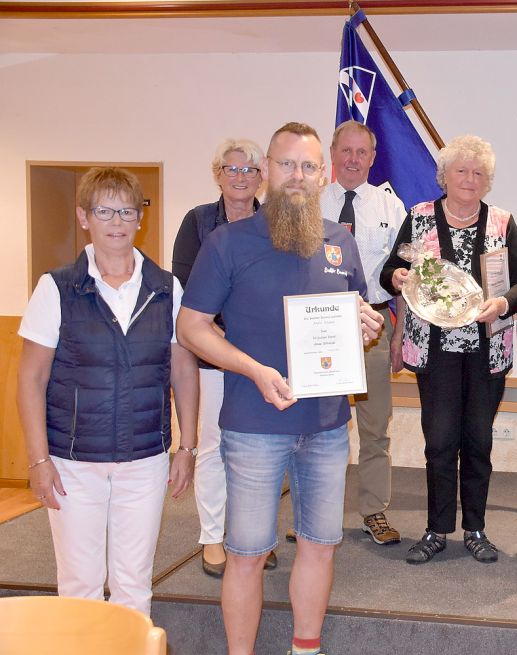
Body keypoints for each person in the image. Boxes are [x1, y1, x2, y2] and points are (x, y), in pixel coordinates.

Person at [177, 122, 384, 655]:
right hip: (253, 427)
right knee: (245, 554)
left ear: (324, 175)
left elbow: (355, 311)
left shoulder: (341, 242)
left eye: (309, 166)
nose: (298, 175)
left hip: (327, 428)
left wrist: (365, 326)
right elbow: (192, 327)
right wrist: (253, 370)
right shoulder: (227, 242)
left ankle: (305, 649)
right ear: (267, 169)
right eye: (287, 164)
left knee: (320, 547)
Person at [17, 167, 199, 616]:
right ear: (84, 217)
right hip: (72, 464)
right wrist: (39, 460)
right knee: (79, 585)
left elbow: (184, 372)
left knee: (133, 584)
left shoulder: (166, 288)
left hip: (145, 462)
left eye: (126, 211)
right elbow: (30, 380)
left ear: (140, 218)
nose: (116, 221)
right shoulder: (55, 288)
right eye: (104, 211)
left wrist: (187, 446)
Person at [381, 135, 517, 565]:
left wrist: (502, 303)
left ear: (488, 181)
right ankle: (436, 529)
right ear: (444, 176)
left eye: (478, 173)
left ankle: (476, 529)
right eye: (461, 171)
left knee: (478, 442)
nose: (469, 179)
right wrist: (397, 278)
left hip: (488, 353)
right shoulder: (420, 217)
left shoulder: (503, 223)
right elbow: (390, 269)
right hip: (435, 352)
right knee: (440, 441)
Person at [172, 137, 276, 578]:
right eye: (231, 170)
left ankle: (252, 537)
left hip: (263, 360)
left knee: (259, 452)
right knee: (214, 447)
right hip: (213, 357)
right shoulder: (197, 222)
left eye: (249, 170)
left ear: (261, 178)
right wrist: (218, 339)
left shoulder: (274, 224)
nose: (240, 177)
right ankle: (212, 538)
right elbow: (184, 291)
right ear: (218, 175)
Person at [322, 120, 406, 546]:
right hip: (319, 325)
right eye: (346, 151)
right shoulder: (310, 203)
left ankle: (374, 511)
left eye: (362, 153)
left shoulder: (391, 207)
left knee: (375, 427)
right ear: (332, 153)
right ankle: (314, 514)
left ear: (373, 158)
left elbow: (403, 277)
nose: (353, 159)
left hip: (374, 324)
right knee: (315, 426)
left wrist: (399, 334)